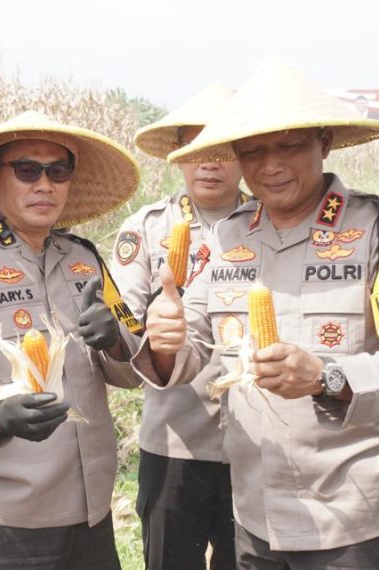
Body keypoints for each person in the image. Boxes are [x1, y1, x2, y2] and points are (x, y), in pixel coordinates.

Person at [139, 56, 379, 569]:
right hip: (256, 518)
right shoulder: (228, 236)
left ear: (323, 143)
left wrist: (327, 377)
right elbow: (190, 345)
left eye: (289, 147)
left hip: (355, 522)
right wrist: (163, 338)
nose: (271, 167)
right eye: (253, 152)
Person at [0, 110, 144, 570]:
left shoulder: (85, 259)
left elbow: (132, 374)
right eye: (27, 170)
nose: (44, 185)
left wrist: (115, 341)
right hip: (5, 521)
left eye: (58, 171)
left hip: (91, 513)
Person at [115, 82, 244, 570]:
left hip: (254, 443)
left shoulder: (270, 226)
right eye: (196, 149)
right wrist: (125, 327)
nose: (209, 164)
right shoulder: (147, 227)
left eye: (223, 149)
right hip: (175, 439)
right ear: (177, 154)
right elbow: (123, 319)